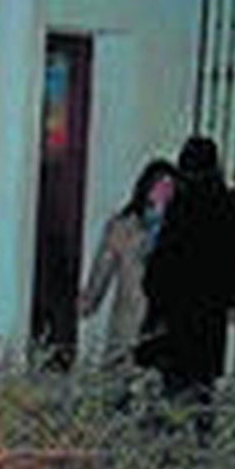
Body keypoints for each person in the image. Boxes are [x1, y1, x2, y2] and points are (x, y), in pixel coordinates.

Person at [137, 135, 235, 441]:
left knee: (173, 376)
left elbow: (164, 260)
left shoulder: (181, 206)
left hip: (177, 304)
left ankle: (167, 435)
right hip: (211, 307)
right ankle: (203, 435)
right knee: (204, 379)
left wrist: (153, 296)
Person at [79, 158, 176, 371]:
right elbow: (103, 268)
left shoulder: (179, 229)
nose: (162, 191)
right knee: (120, 383)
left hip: (164, 325)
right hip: (129, 320)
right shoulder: (123, 226)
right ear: (146, 186)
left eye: (169, 186)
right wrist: (89, 300)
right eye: (158, 184)